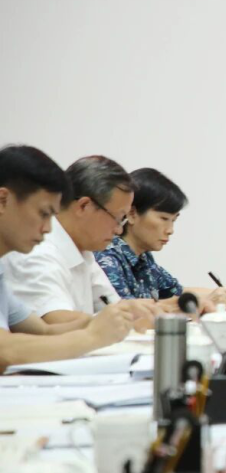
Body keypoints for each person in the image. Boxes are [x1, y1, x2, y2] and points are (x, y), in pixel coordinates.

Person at [0, 145, 154, 372]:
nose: (48, 228)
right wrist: (93, 335)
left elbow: (43, 330)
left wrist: (111, 320)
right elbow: (5, 352)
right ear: (3, 200)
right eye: (43, 214)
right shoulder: (35, 254)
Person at [96, 168, 226, 309]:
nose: (170, 230)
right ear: (132, 214)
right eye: (164, 219)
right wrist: (202, 303)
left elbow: (177, 292)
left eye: (173, 220)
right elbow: (128, 313)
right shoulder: (108, 257)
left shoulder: (143, 258)